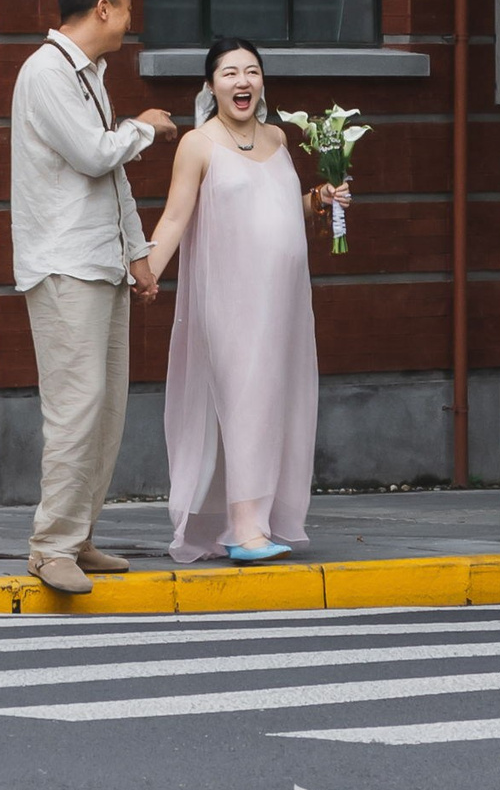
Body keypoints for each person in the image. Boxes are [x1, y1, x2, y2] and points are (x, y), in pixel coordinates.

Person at [142, 36, 347, 567]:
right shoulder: (199, 144)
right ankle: (243, 528)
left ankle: (260, 521)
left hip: (283, 302)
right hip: (229, 300)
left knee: (276, 401)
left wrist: (320, 198)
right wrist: (144, 273)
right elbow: (174, 218)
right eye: (230, 73)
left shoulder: (279, 138)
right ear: (211, 85)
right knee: (243, 399)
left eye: (252, 72)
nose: (243, 82)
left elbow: (283, 206)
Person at [8, 0, 176, 597]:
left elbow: (110, 177)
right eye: (127, 9)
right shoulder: (47, 72)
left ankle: (77, 535)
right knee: (76, 409)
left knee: (106, 410)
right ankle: (50, 547)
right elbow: (96, 153)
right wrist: (148, 127)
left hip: (99, 262)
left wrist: (137, 252)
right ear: (102, 8)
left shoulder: (90, 76)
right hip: (63, 265)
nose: (132, 23)